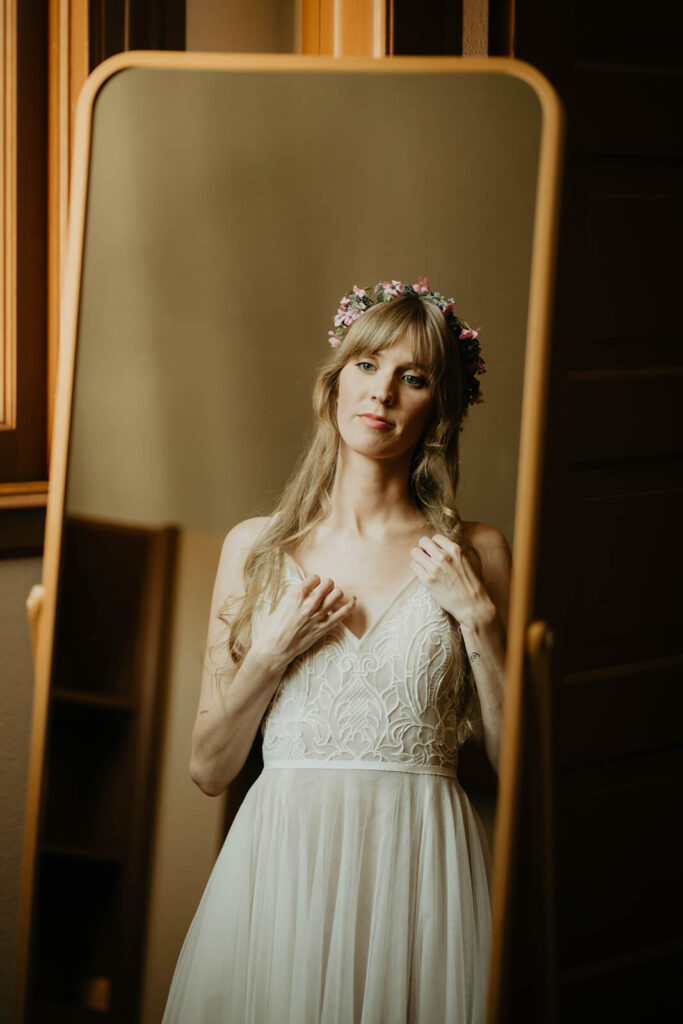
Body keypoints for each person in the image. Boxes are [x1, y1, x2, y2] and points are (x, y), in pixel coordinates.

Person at [162, 277, 511, 1023]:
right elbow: (208, 768)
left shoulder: (475, 553)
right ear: (334, 384)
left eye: (411, 378)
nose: (381, 392)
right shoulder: (255, 549)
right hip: (283, 869)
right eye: (366, 365)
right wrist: (270, 652)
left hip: (422, 873)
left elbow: (520, 767)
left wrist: (477, 619)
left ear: (438, 409)